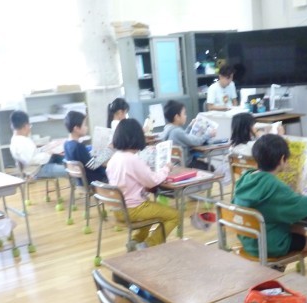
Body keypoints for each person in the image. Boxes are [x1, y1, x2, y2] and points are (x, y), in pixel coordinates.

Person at [233, 134, 307, 260]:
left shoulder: (245, 178)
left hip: (249, 239)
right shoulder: (274, 186)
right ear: (283, 159)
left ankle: (275, 267)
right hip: (269, 244)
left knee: (298, 227)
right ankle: (277, 267)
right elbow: (302, 207)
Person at [106, 118, 178, 250]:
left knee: (150, 210)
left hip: (118, 210)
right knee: (174, 215)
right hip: (133, 209)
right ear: (137, 137)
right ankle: (149, 245)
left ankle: (136, 241)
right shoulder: (132, 160)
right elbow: (152, 181)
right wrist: (166, 169)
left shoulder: (114, 159)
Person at [160, 100, 215, 170]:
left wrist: (190, 127)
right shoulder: (177, 132)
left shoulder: (168, 129)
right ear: (177, 117)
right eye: (184, 114)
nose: (186, 116)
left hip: (174, 165)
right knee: (210, 168)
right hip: (186, 165)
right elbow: (197, 142)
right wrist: (208, 134)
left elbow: (184, 137)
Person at [9, 110, 66, 178]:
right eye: (29, 126)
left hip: (40, 165)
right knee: (70, 170)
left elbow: (33, 154)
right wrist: (49, 152)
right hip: (39, 169)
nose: (29, 129)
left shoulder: (17, 139)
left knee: (65, 158)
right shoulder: (22, 142)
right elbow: (32, 160)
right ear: (26, 126)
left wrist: (47, 147)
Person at [63, 110, 107, 184]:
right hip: (93, 181)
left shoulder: (66, 144)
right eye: (84, 125)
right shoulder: (78, 146)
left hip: (81, 181)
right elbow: (93, 165)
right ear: (76, 128)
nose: (86, 127)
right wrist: (107, 153)